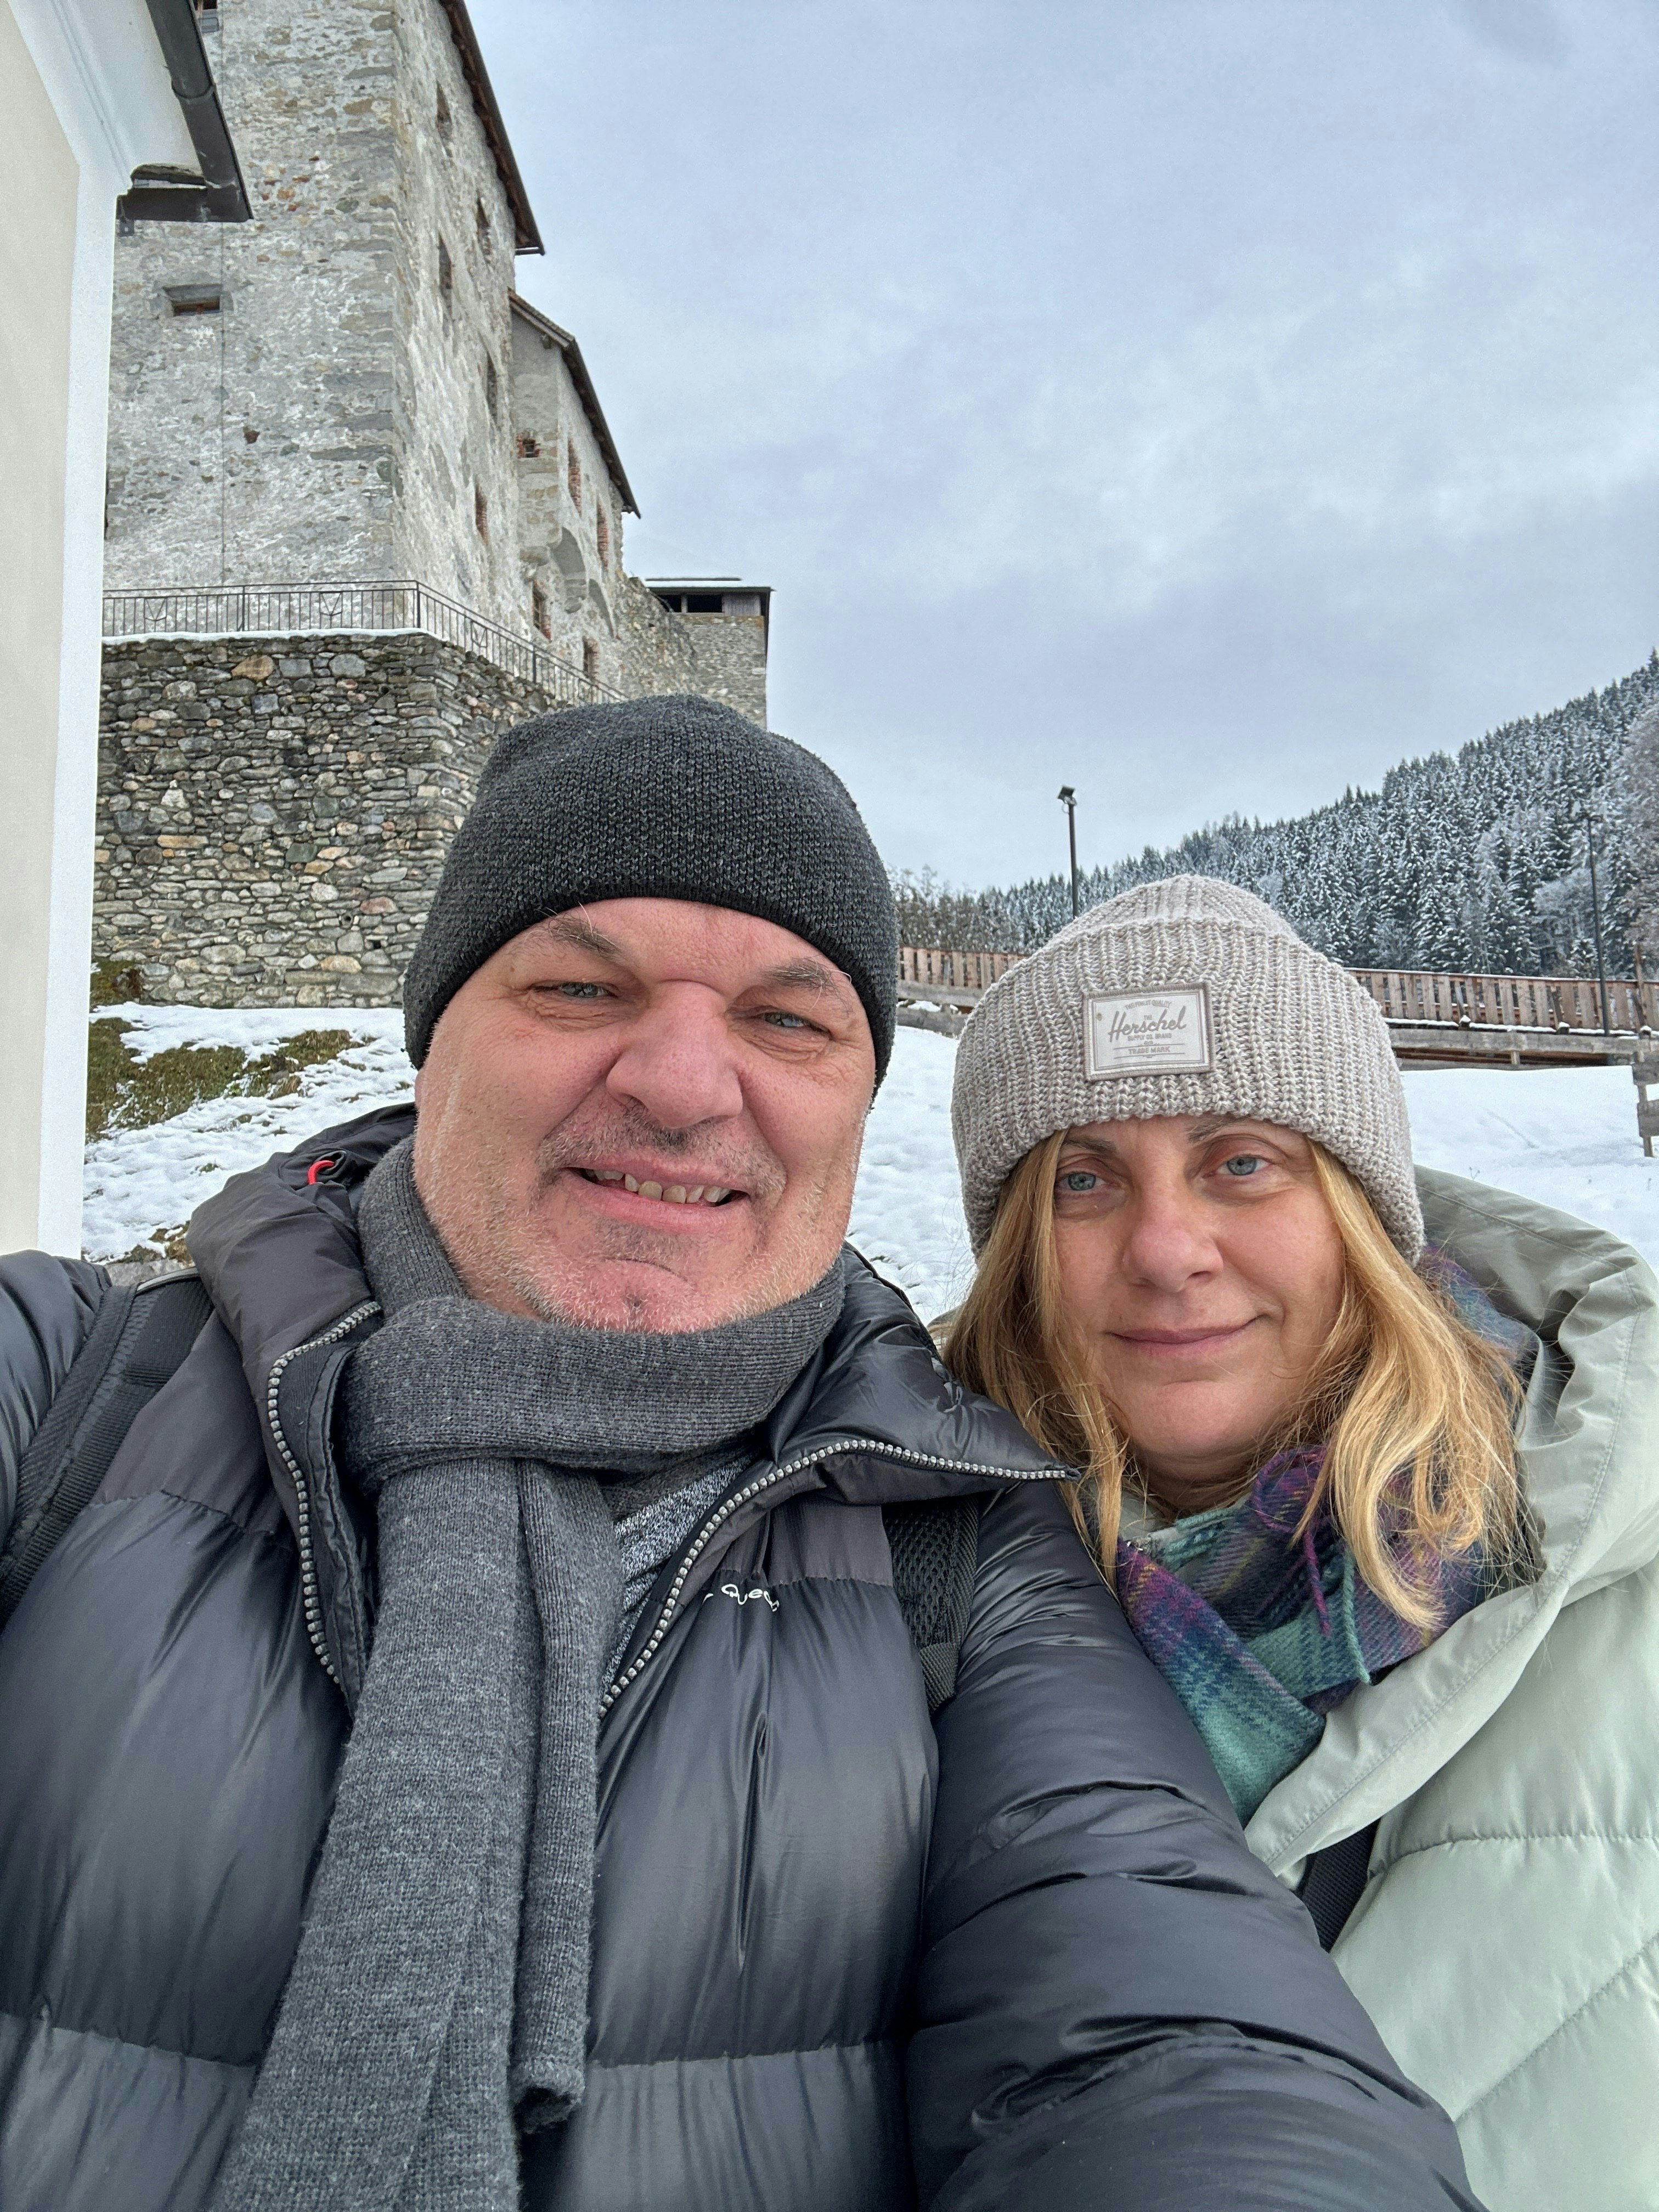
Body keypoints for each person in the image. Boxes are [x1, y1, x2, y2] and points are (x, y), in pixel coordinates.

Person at [0, 704, 1480, 2212]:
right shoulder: (68, 1387)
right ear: (435, 1036)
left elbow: (1168, 2007)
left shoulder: (954, 1526)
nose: (684, 1085)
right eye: (581, 987)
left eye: (786, 1021)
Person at [945, 871, 1659, 2212]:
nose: (1168, 1250)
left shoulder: (1625, 1579)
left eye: (1242, 1162)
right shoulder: (873, 1593)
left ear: (1358, 1209)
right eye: (1084, 1179)